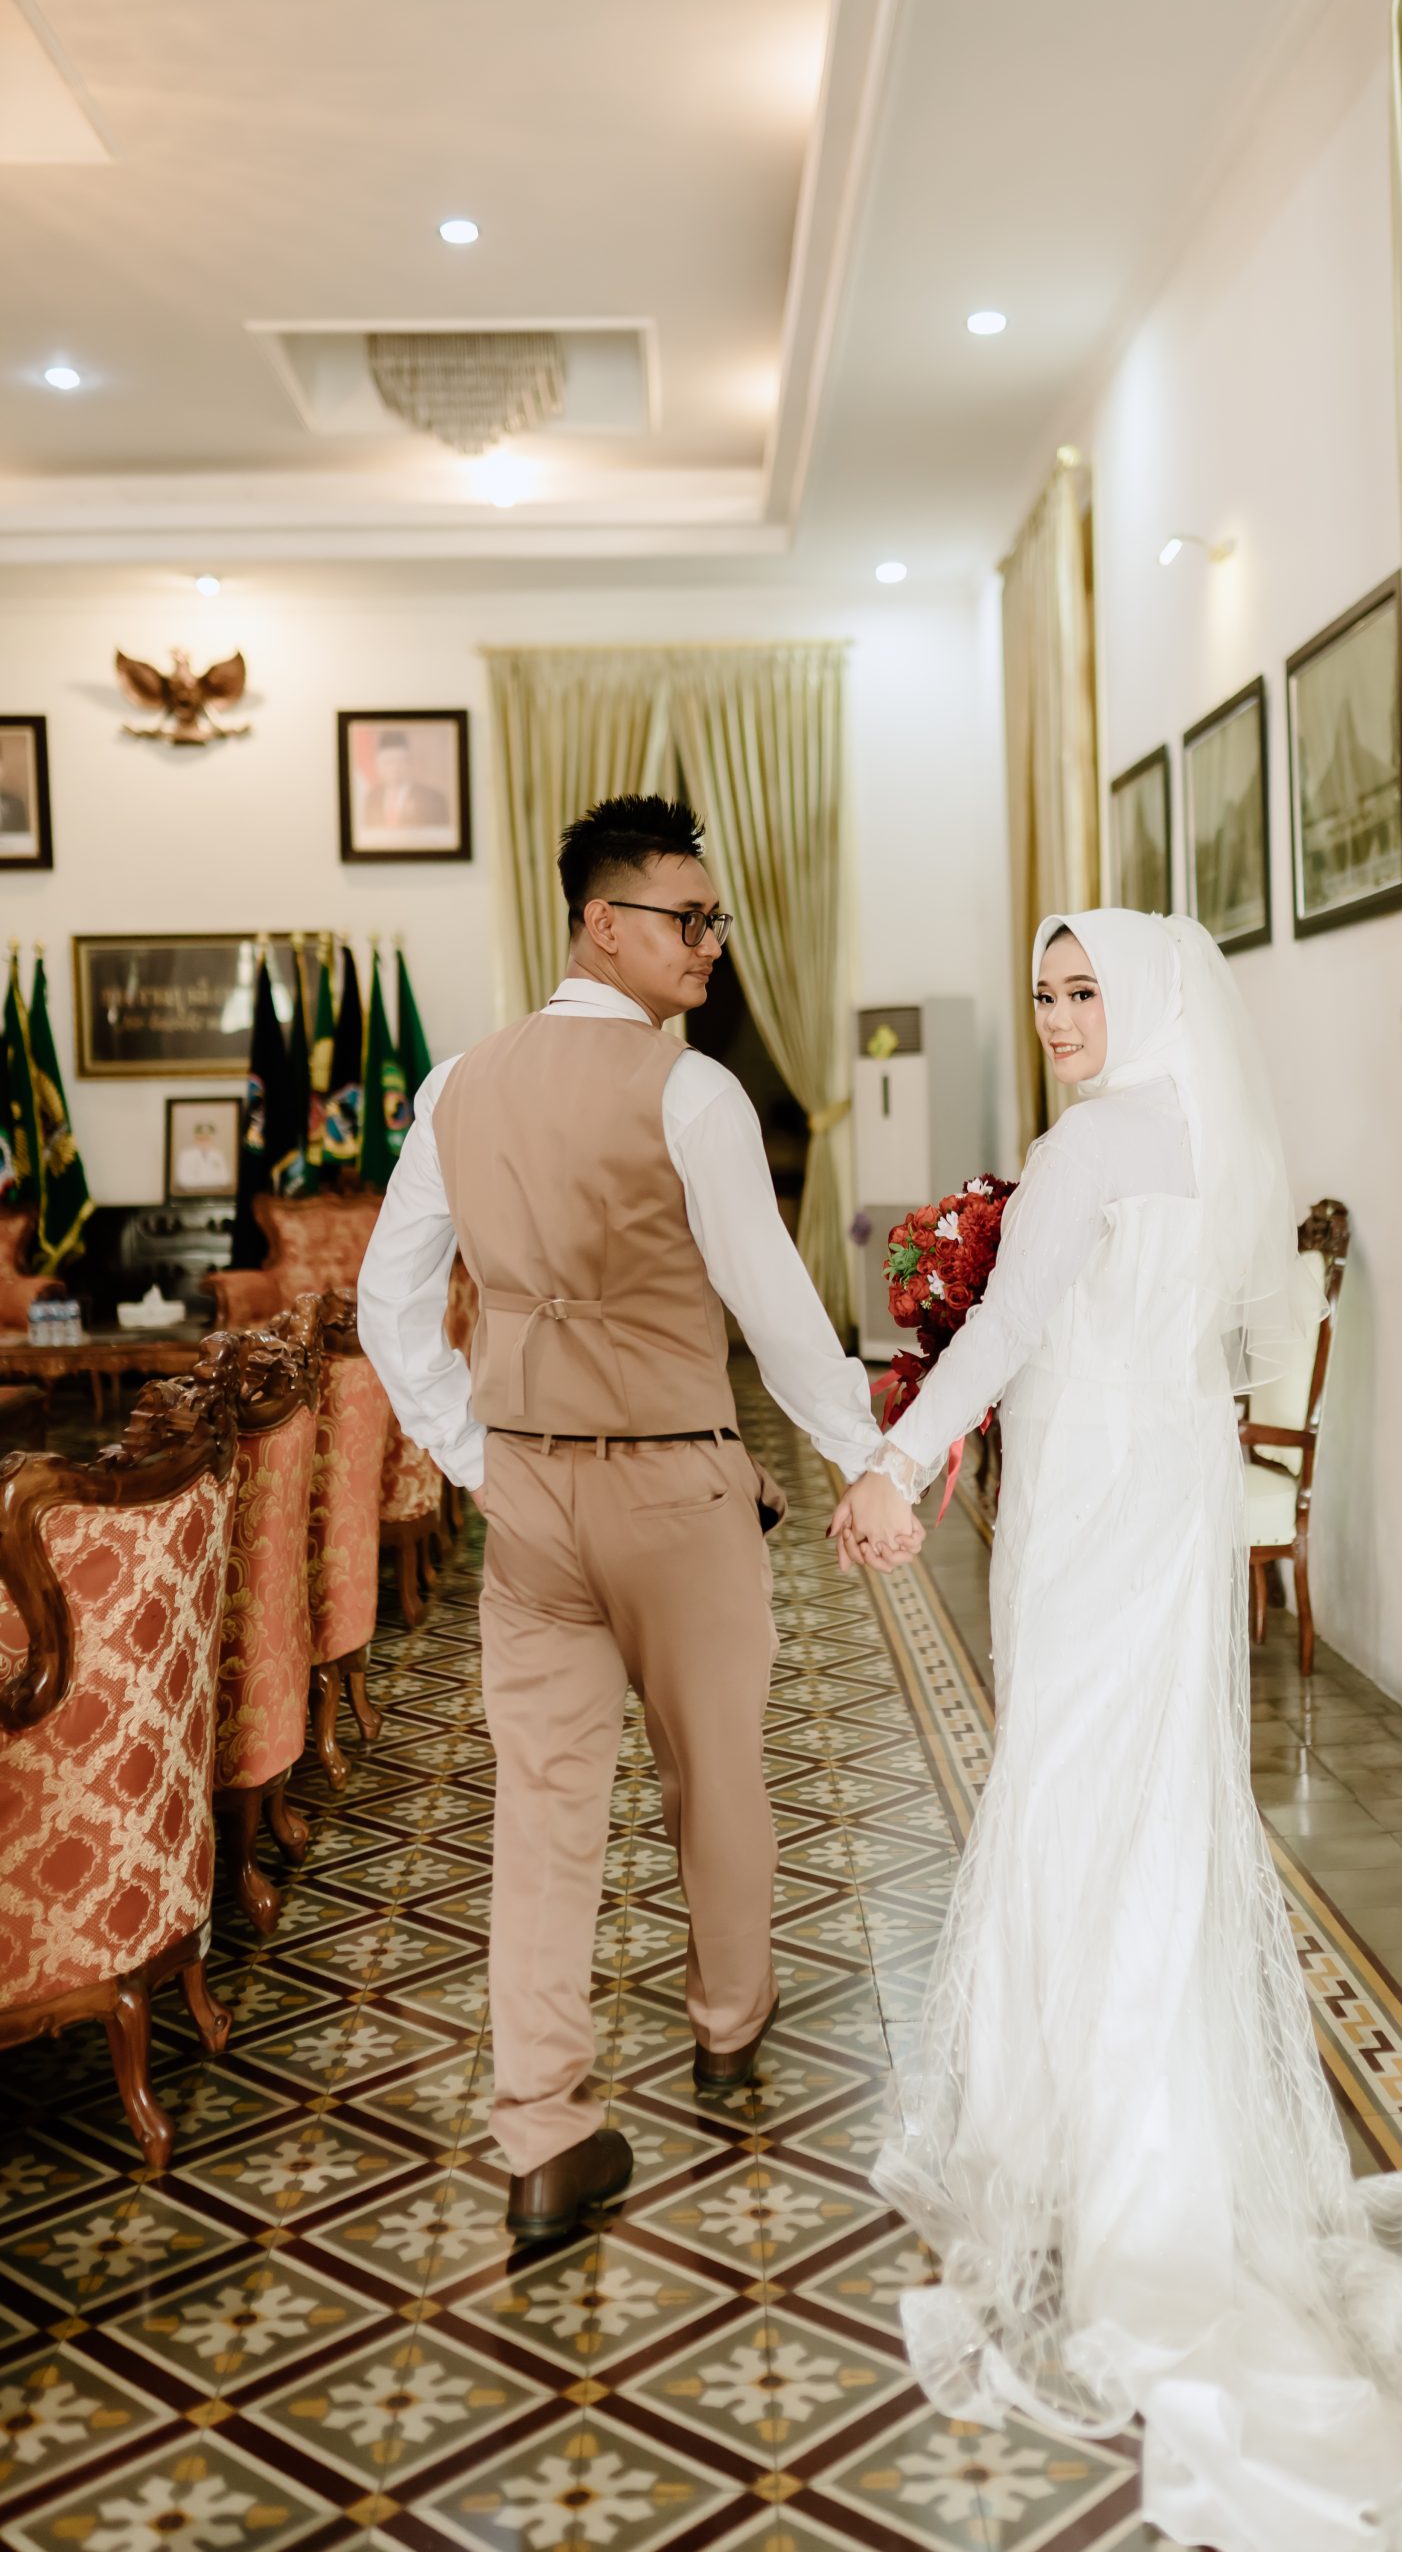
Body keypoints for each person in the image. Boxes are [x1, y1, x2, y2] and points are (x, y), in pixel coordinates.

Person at [831, 909, 1402, 2550]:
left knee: (1070, 1793)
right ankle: (1144, 2129)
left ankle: (1091, 2154)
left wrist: (894, 1461)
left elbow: (1008, 1333)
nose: (1058, 1017)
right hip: (1169, 1488)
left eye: (1084, 991)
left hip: (1096, 1498)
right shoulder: (1214, 1137)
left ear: (1142, 996)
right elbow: (1211, 1332)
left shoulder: (1088, 1150)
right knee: (1152, 1802)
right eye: (1044, 992)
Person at [359, 795, 901, 2244]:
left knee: (542, 1809)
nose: (711, 944)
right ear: (603, 924)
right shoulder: (691, 1093)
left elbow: (387, 1302)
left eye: (715, 918)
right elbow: (775, 1310)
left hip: (530, 1496)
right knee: (714, 1776)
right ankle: (728, 2024)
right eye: (687, 918)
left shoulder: (458, 1084)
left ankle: (543, 2133)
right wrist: (867, 1459)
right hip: (676, 1488)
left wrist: (470, 1454)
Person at [362, 727, 450, 831]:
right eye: (388, 762)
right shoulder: (371, 798)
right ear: (378, 765)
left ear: (409, 763)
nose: (394, 768)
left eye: (399, 761)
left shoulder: (432, 799)